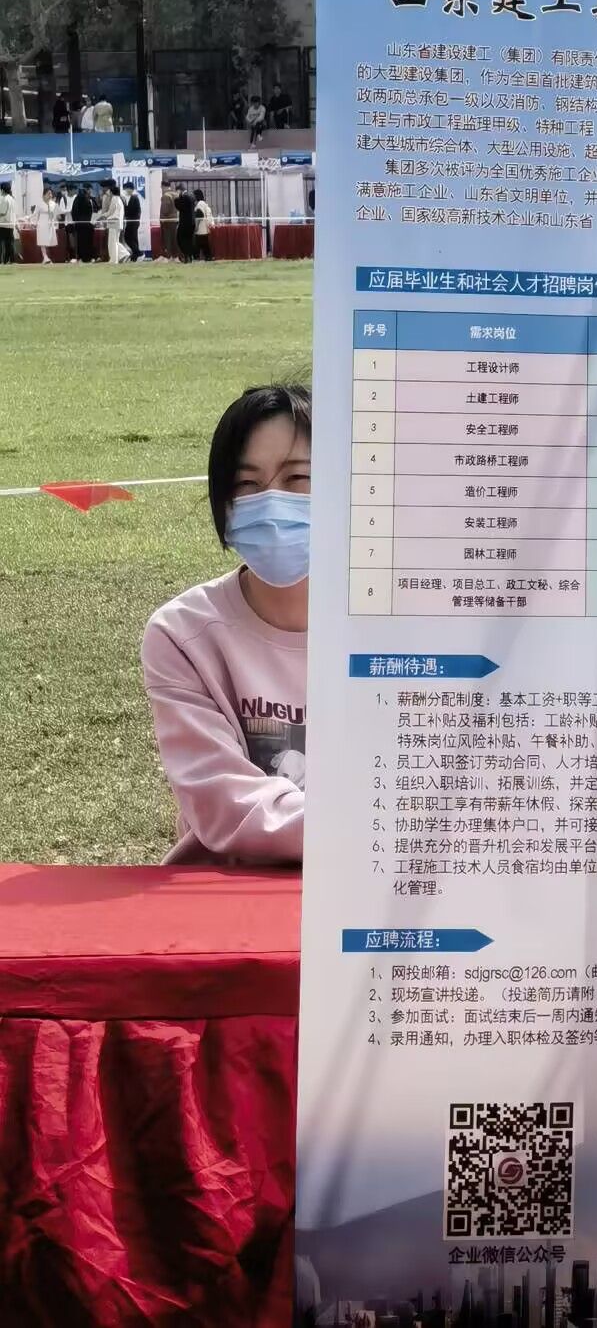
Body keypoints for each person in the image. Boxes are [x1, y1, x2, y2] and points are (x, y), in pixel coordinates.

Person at [141, 384, 311, 865]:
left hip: (369, 885)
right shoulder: (183, 635)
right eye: (248, 485)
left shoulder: (397, 628)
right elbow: (225, 802)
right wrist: (370, 827)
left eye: (299, 478)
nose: (273, 504)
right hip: (226, 888)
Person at [97, 178, 126, 265]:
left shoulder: (114, 198)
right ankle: (120, 256)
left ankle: (115, 259)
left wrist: (102, 217)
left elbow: (110, 211)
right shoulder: (118, 198)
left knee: (112, 242)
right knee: (115, 242)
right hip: (115, 221)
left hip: (113, 221)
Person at [70, 181, 96, 262]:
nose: (91, 191)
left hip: (84, 224)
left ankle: (85, 257)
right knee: (84, 241)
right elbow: (75, 212)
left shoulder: (84, 198)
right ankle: (85, 257)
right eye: (90, 189)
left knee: (84, 241)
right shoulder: (81, 198)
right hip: (83, 224)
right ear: (87, 189)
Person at [36, 185, 60, 264]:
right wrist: (33, 223)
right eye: (48, 193)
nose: (50, 195)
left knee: (49, 241)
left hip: (50, 224)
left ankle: (46, 257)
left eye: (51, 193)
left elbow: (58, 213)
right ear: (44, 195)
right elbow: (35, 215)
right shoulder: (39, 204)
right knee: (42, 241)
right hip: (42, 224)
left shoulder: (53, 204)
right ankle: (45, 257)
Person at [175, 183, 196, 262]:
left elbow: (179, 206)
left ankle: (186, 256)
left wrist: (177, 198)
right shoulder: (192, 196)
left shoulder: (184, 197)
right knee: (189, 240)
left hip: (185, 222)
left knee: (180, 239)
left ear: (180, 190)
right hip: (192, 222)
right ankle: (190, 256)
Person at [193, 190, 216, 260]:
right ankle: (208, 257)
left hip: (200, 227)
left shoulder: (199, 204)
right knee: (204, 244)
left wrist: (196, 226)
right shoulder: (203, 203)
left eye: (194, 195)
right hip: (204, 228)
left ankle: (198, 257)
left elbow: (199, 214)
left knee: (199, 243)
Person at [123, 184, 143, 261]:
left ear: (130, 189)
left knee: (128, 237)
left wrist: (124, 208)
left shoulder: (134, 198)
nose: (125, 191)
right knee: (133, 238)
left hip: (133, 221)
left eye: (126, 189)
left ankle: (138, 253)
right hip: (132, 221)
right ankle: (135, 255)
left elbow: (132, 210)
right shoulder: (131, 197)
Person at [159, 183, 179, 260]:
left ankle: (168, 256)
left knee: (167, 239)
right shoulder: (176, 194)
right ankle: (176, 256)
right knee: (174, 239)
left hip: (167, 221)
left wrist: (162, 218)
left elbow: (165, 210)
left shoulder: (166, 196)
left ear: (163, 187)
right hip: (175, 220)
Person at [0, 180, 16, 264]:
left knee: (3, 244)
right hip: (11, 224)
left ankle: (3, 261)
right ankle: (10, 260)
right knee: (10, 243)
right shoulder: (12, 199)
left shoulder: (4, 199)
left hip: (4, 224)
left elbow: (2, 212)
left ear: (2, 190)